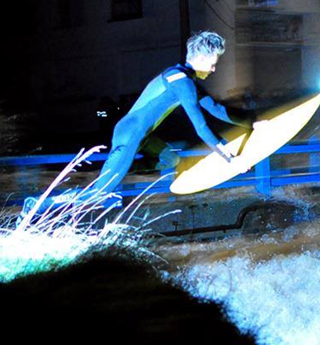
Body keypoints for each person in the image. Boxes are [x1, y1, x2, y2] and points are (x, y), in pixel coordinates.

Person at [23, 30, 261, 215]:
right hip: (129, 134)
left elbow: (217, 109)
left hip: (144, 135)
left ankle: (117, 172)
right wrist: (231, 159)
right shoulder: (182, 82)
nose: (214, 68)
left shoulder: (184, 79)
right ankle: (39, 203)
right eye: (213, 62)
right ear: (199, 58)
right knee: (99, 193)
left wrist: (253, 123)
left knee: (170, 159)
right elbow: (200, 126)